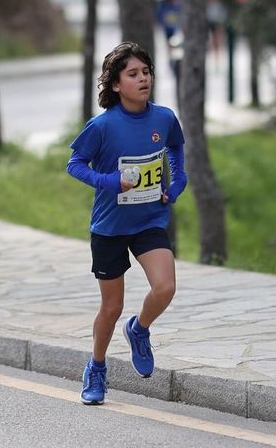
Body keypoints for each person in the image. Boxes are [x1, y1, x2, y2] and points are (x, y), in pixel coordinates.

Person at [66, 41, 187, 404]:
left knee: (165, 288)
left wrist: (177, 183)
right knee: (111, 307)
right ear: (117, 84)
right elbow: (74, 164)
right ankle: (97, 367)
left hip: (149, 219)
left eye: (146, 72)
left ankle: (139, 330)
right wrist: (108, 182)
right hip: (110, 227)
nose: (142, 79)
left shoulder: (163, 118)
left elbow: (176, 148)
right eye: (133, 74)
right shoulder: (102, 126)